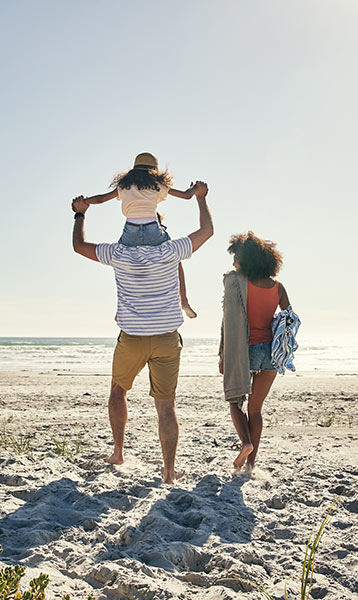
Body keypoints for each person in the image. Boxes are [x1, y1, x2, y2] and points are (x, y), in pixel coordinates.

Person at [71, 181, 213, 484]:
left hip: (132, 337)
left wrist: (80, 214)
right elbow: (207, 231)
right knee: (165, 406)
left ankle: (119, 452)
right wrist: (200, 198)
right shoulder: (171, 251)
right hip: (166, 339)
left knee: (117, 391)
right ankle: (169, 472)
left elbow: (79, 247)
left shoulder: (118, 253)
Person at [75, 152, 199, 318]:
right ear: (154, 170)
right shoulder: (157, 185)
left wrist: (84, 202)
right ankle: (183, 301)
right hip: (153, 230)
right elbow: (186, 195)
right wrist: (194, 189)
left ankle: (122, 311)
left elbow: (100, 199)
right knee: (175, 260)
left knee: (121, 263)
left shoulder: (124, 187)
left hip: (130, 231)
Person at [218, 232, 291, 471]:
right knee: (256, 409)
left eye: (236, 257)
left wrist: (222, 353)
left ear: (246, 259)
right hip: (270, 351)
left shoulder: (237, 283)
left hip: (243, 350)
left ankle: (246, 443)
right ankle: (251, 463)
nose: (233, 262)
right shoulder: (278, 287)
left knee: (234, 402)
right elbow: (290, 320)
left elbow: (228, 321)